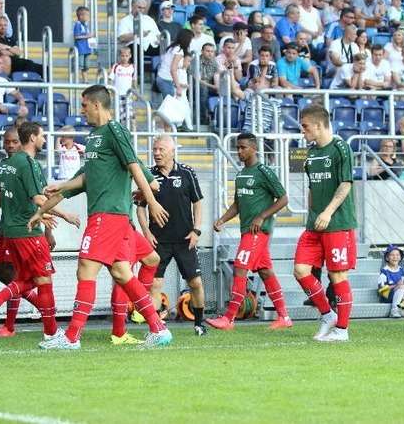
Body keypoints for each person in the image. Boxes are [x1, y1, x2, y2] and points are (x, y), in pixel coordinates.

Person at [27, 85, 172, 350]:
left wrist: (151, 202)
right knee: (122, 272)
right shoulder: (94, 137)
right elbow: (86, 178)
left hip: (108, 215)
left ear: (96, 104)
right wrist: (57, 191)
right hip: (110, 216)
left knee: (86, 268)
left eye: (84, 105)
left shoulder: (114, 130)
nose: (81, 111)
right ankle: (158, 329)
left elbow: (134, 166)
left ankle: (72, 337)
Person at [0, 128, 66, 338]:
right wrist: (65, 215)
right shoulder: (16, 164)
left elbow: (40, 198)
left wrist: (48, 232)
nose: (10, 145)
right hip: (22, 232)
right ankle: (39, 319)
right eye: (6, 142)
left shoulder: (22, 165)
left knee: (26, 277)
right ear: (33, 138)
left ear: (22, 141)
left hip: (20, 231)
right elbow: (38, 199)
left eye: (14, 141)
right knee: (22, 277)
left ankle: (16, 325)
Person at [207, 132, 292, 331]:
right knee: (265, 271)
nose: (239, 151)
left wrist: (262, 216)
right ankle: (284, 317)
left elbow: (283, 199)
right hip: (246, 230)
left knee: (240, 267)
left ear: (254, 148)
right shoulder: (241, 175)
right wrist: (222, 219)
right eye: (237, 147)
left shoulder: (264, 172)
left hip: (258, 231)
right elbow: (237, 205)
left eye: (243, 147)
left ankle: (229, 318)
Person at [294, 105, 357, 342]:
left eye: (305, 126)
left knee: (337, 275)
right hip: (314, 225)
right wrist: (312, 215)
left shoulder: (341, 147)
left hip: (337, 223)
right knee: (300, 270)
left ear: (319, 125)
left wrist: (328, 212)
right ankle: (327, 315)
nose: (303, 131)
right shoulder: (310, 154)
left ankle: (342, 330)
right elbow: (312, 188)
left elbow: (346, 184)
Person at [137, 135, 207, 335]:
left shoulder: (187, 172)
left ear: (172, 151)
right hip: (159, 240)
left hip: (185, 239)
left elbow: (197, 202)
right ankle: (156, 327)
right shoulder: (148, 174)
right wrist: (146, 232)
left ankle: (199, 323)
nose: (157, 153)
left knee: (195, 283)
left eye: (161, 150)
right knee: (155, 284)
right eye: (155, 149)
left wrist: (196, 230)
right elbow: (140, 207)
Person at [156, 28, 193, 98]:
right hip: (166, 79)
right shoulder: (179, 51)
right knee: (169, 103)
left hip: (163, 78)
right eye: (190, 40)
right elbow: (173, 69)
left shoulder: (173, 47)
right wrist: (178, 87)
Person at [378, 246, 404, 318]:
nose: (395, 257)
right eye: (392, 255)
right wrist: (396, 285)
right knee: (401, 286)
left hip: (400, 295)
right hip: (387, 296)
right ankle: (394, 310)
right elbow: (381, 290)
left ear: (400, 257)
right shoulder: (384, 272)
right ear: (387, 258)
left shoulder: (402, 271)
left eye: (397, 255)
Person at [74, 6, 93, 83]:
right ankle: (80, 80)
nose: (88, 17)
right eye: (86, 15)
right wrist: (87, 36)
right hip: (81, 49)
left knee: (86, 66)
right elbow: (76, 36)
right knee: (80, 65)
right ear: (81, 16)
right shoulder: (78, 24)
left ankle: (85, 80)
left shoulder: (85, 25)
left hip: (87, 48)